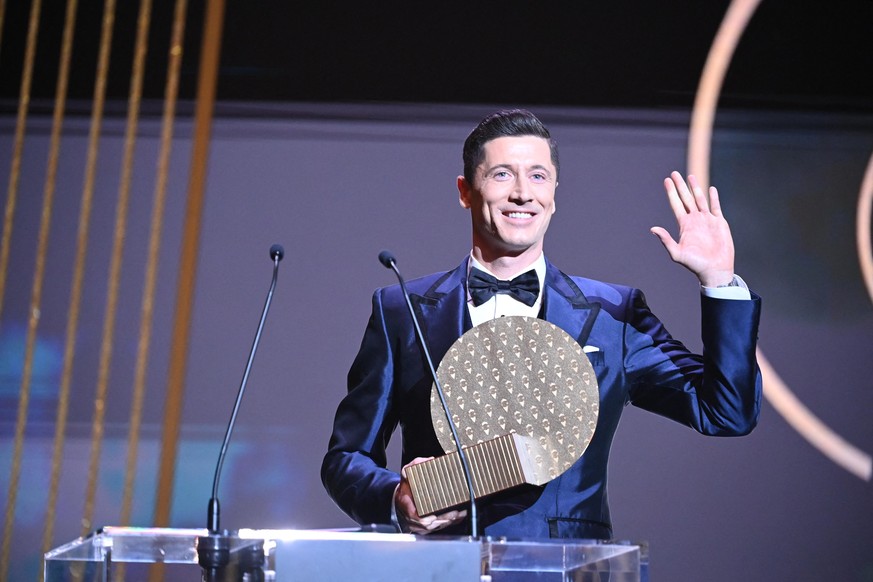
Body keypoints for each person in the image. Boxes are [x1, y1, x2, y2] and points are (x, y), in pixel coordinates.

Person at [321, 109, 761, 539]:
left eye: (537, 176)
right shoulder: (403, 310)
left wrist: (719, 281)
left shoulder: (614, 314)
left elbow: (725, 412)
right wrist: (395, 498)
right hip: (443, 567)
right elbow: (346, 458)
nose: (521, 193)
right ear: (465, 190)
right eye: (501, 175)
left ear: (554, 192)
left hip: (568, 566)